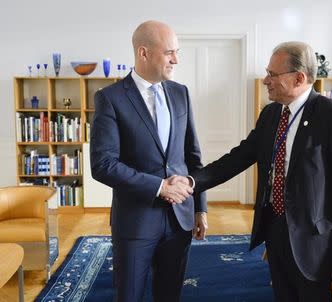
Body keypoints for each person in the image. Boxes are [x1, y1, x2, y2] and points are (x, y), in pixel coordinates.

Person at [188, 41, 332, 301]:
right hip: (275, 226)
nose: (265, 80)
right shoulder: (271, 114)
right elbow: (237, 158)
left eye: (272, 74)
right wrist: (192, 182)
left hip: (313, 238)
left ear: (299, 78)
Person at [90, 20, 208, 302]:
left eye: (176, 52)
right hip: (135, 221)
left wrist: (200, 208)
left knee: (170, 295)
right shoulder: (111, 98)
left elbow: (192, 155)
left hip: (180, 218)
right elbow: (103, 164)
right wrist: (159, 187)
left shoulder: (181, 93)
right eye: (169, 52)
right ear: (143, 53)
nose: (176, 60)